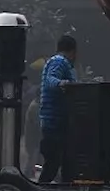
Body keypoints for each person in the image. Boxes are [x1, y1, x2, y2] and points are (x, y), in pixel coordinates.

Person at [37, 35, 77, 184]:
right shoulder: (60, 62)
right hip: (54, 121)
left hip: (55, 121)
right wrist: (62, 83)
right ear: (72, 51)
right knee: (54, 162)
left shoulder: (56, 61)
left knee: (63, 160)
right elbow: (50, 79)